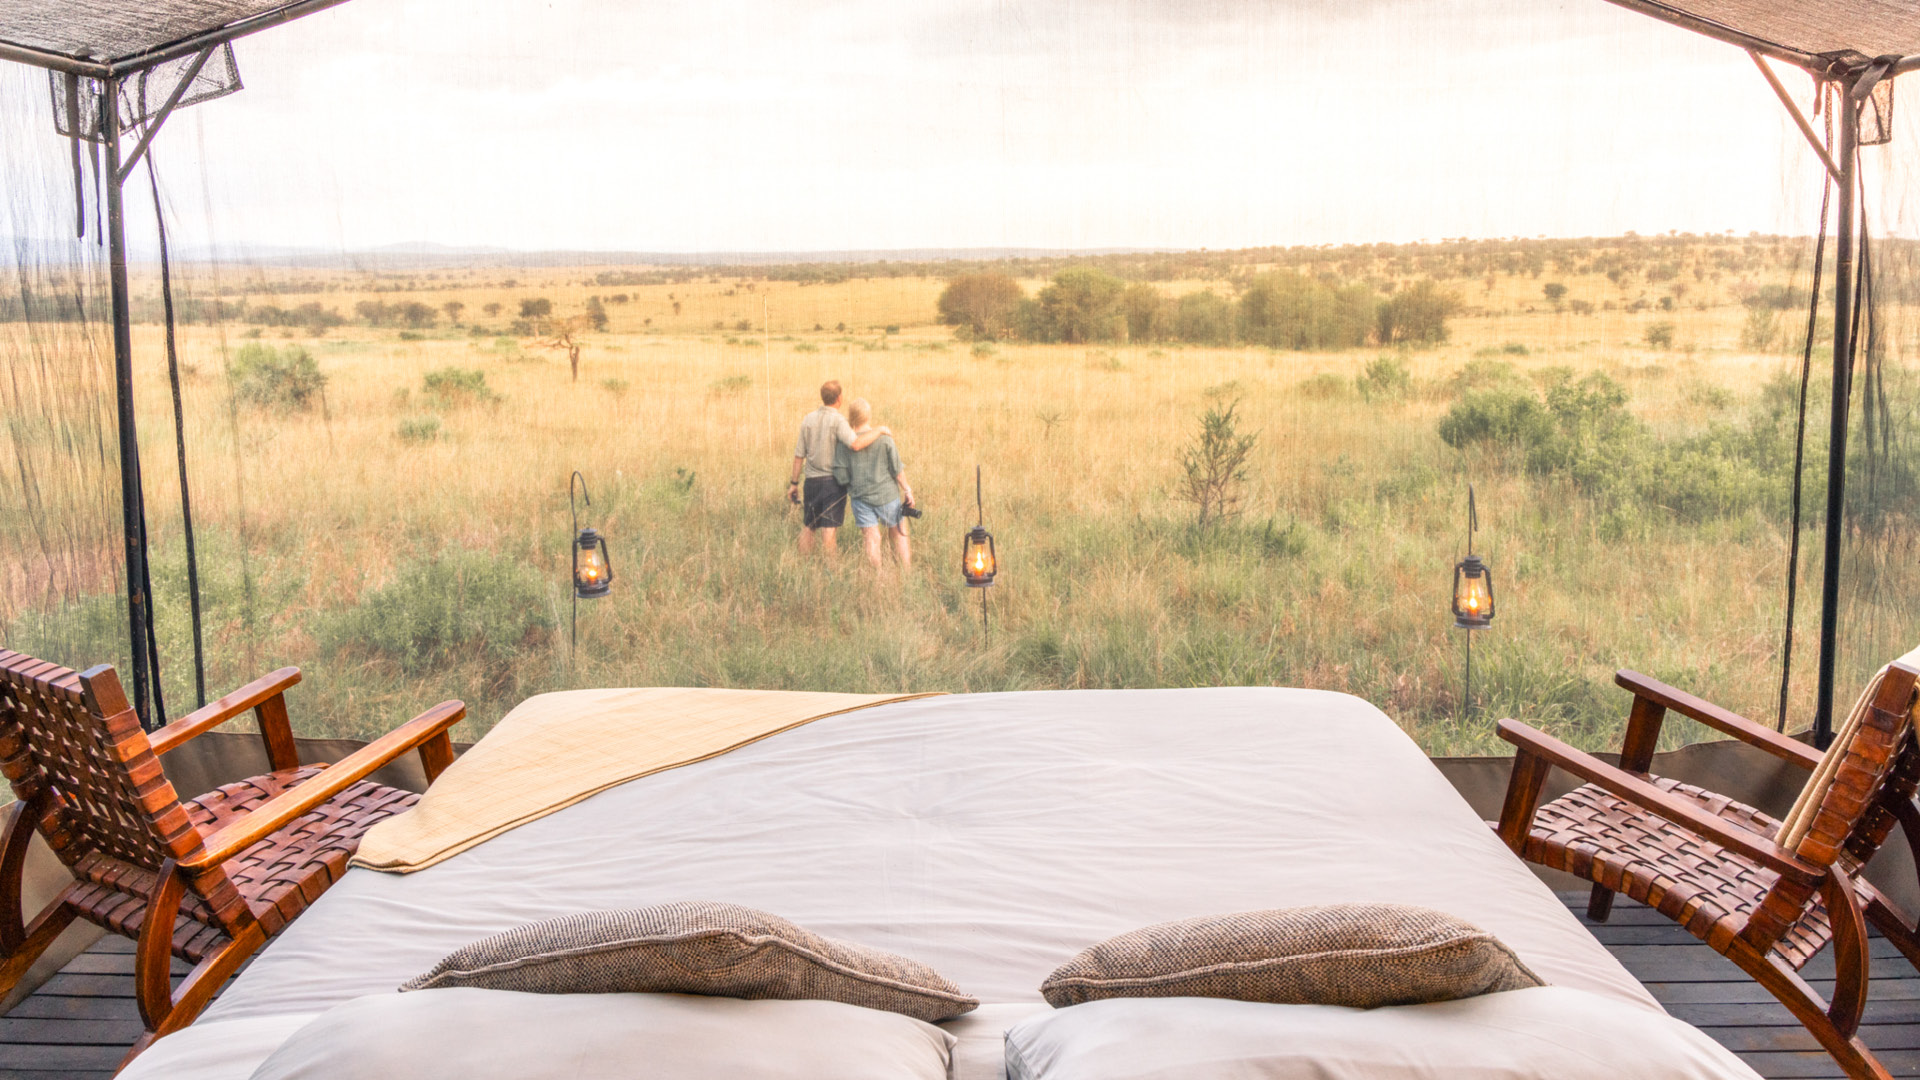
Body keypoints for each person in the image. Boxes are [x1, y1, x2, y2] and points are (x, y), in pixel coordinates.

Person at [788, 380, 886, 555]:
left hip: (811, 481)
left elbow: (798, 455)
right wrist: (879, 431)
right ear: (839, 398)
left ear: (823, 397)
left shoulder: (808, 419)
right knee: (829, 528)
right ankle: (831, 570)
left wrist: (794, 483)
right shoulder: (839, 420)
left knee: (809, 526)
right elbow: (855, 444)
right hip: (832, 483)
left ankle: (802, 565)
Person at [833, 398, 913, 572]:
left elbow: (840, 474)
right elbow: (897, 470)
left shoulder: (844, 444)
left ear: (851, 417)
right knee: (898, 532)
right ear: (869, 417)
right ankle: (906, 572)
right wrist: (907, 490)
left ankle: (877, 577)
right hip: (888, 496)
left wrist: (852, 486)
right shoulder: (884, 440)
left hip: (860, 499)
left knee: (871, 538)